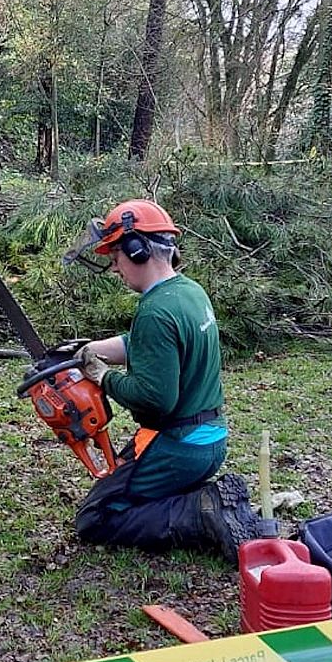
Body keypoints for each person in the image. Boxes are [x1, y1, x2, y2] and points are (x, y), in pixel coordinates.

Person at [67, 199, 261, 560]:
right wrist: (87, 349)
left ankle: (201, 510)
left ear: (137, 251)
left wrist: (103, 377)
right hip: (210, 439)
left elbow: (155, 399)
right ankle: (200, 499)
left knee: (96, 518)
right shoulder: (187, 291)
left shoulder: (156, 310)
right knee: (120, 473)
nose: (115, 268)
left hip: (181, 447)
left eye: (116, 258)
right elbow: (144, 345)